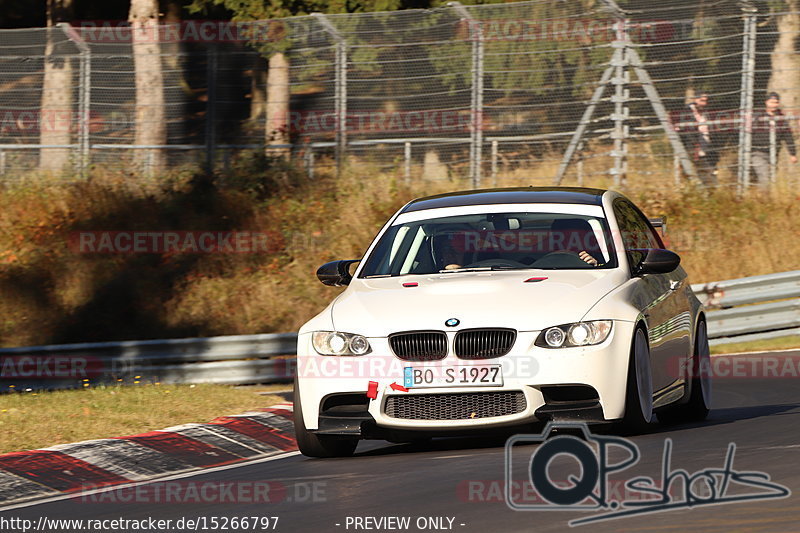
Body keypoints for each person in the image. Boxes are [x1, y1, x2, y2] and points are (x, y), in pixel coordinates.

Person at [750, 92, 798, 189]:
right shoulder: (758, 116)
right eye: (771, 102)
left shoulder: (781, 118)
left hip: (773, 153)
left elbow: (788, 136)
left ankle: (766, 199)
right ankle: (763, 200)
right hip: (758, 152)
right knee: (764, 176)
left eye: (776, 102)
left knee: (772, 178)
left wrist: (792, 153)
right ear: (766, 102)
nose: (774, 105)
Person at [675, 92, 719, 186]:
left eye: (706, 101)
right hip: (693, 146)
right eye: (702, 100)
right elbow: (686, 130)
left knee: (710, 169)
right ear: (695, 99)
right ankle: (702, 189)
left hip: (707, 146)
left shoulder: (706, 111)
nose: (704, 103)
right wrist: (695, 144)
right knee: (694, 169)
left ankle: (710, 190)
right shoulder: (686, 111)